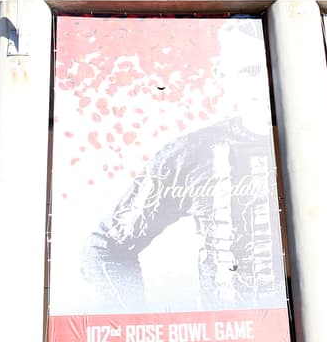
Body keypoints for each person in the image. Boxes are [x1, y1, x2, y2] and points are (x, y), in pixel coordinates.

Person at [79, 19, 286, 312]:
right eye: (250, 71)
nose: (266, 83)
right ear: (223, 76)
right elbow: (104, 248)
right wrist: (133, 325)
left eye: (276, 67)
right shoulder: (191, 154)